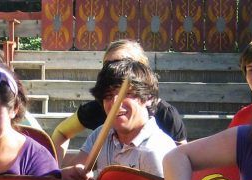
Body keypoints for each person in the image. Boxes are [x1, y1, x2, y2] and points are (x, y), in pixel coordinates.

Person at [52, 39, 186, 163]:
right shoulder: (98, 112)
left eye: (124, 64)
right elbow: (61, 132)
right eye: (108, 66)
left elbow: (183, 162)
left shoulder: (165, 115)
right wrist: (56, 170)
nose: (115, 71)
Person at [62, 59, 177, 180]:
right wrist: (68, 175)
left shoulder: (156, 151)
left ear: (149, 98)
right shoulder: (101, 134)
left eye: (125, 94)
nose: (115, 103)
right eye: (109, 96)